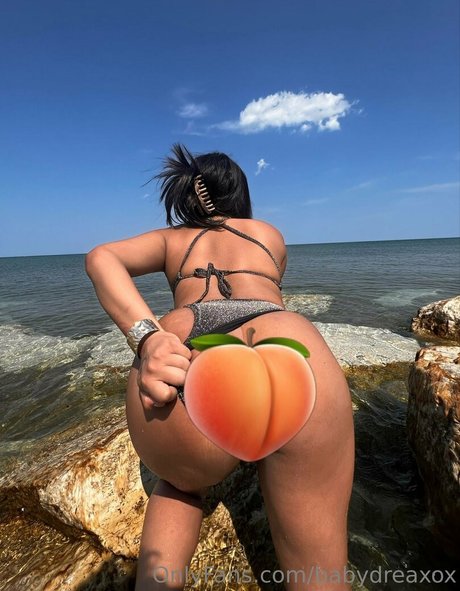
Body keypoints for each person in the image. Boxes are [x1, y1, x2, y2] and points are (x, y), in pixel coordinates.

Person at [85, 144, 355, 590]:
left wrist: (149, 338)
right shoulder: (268, 234)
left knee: (181, 486)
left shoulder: (173, 239)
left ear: (185, 196)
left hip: (190, 347)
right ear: (239, 193)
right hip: (286, 343)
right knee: (319, 570)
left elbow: (101, 257)